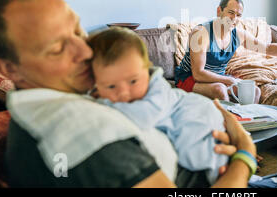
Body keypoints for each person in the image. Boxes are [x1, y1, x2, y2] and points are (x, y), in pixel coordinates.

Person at [0, 0, 277, 188]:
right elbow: (199, 72)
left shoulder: (67, 103)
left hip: (206, 163)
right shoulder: (83, 134)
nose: (84, 50)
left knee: (248, 93)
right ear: (8, 67)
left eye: (77, 29)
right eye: (58, 47)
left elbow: (266, 45)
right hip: (197, 85)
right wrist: (245, 152)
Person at [87, 26, 228, 184]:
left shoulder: (156, 89)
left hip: (195, 115)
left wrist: (106, 102)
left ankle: (220, 171)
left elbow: (144, 118)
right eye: (111, 86)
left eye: (133, 81)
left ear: (146, 70)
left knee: (195, 157)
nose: (124, 93)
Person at [175, 0, 277, 103]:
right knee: (220, 90)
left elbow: (268, 48)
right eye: (230, 13)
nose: (234, 18)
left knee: (255, 91)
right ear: (219, 11)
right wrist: (229, 80)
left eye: (238, 15)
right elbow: (198, 74)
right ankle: (230, 133)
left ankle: (248, 125)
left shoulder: (238, 34)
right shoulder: (201, 33)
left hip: (217, 78)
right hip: (189, 78)